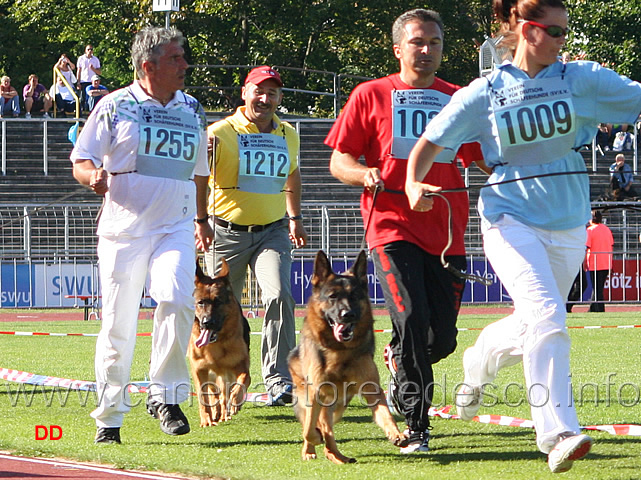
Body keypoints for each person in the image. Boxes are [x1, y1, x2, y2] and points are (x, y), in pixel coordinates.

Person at [405, 0, 641, 473]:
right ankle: (556, 432)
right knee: (549, 318)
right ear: (525, 30)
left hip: (570, 220)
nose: (562, 41)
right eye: (553, 32)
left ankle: (478, 364)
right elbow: (431, 141)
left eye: (564, 32)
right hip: (508, 218)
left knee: (534, 322)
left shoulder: (583, 79)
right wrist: (413, 182)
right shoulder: (485, 91)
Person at [325, 8, 488, 454]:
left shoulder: (460, 99)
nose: (427, 50)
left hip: (448, 234)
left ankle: (397, 358)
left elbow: (486, 157)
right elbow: (339, 161)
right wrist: (364, 175)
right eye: (418, 42)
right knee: (411, 317)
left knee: (441, 339)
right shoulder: (369, 94)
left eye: (434, 43)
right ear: (397, 49)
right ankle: (416, 426)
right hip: (390, 227)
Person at [70, 26, 213, 445]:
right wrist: (92, 176)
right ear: (148, 66)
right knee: (118, 324)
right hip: (124, 229)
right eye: (175, 58)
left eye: (183, 57)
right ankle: (110, 416)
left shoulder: (192, 108)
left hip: (177, 225)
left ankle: (165, 395)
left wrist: (201, 218)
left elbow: (201, 171)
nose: (185, 65)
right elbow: (81, 158)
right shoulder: (115, 106)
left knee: (178, 298)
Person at [205, 65, 308, 406]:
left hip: (273, 232)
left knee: (279, 296)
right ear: (244, 93)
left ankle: (279, 379)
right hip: (225, 233)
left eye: (273, 92)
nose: (266, 98)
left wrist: (295, 218)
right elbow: (195, 176)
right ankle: (221, 375)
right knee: (216, 308)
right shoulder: (219, 132)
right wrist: (199, 221)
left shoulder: (289, 133)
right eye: (259, 91)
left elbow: (292, 177)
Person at [585, 210, 613, 312]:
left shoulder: (590, 230)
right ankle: (594, 308)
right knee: (599, 288)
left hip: (594, 263)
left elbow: (587, 247)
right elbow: (611, 245)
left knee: (597, 288)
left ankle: (598, 308)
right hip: (606, 262)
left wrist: (584, 262)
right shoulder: (606, 229)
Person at [77, 44, 102, 110]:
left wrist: (93, 69)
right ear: (85, 50)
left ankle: (90, 110)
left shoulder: (95, 59)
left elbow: (99, 72)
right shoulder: (81, 58)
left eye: (91, 49)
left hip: (92, 81)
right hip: (83, 80)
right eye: (88, 49)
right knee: (82, 97)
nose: (90, 51)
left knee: (91, 97)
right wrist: (78, 82)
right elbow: (79, 71)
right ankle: (81, 111)